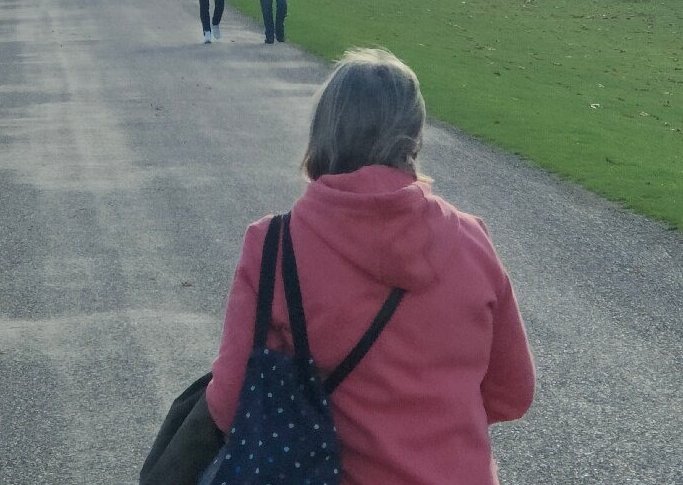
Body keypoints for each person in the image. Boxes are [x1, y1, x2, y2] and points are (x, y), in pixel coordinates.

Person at [205, 48, 536, 485]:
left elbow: (230, 404)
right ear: (414, 139)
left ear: (322, 134)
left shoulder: (274, 246)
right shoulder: (471, 239)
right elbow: (512, 392)